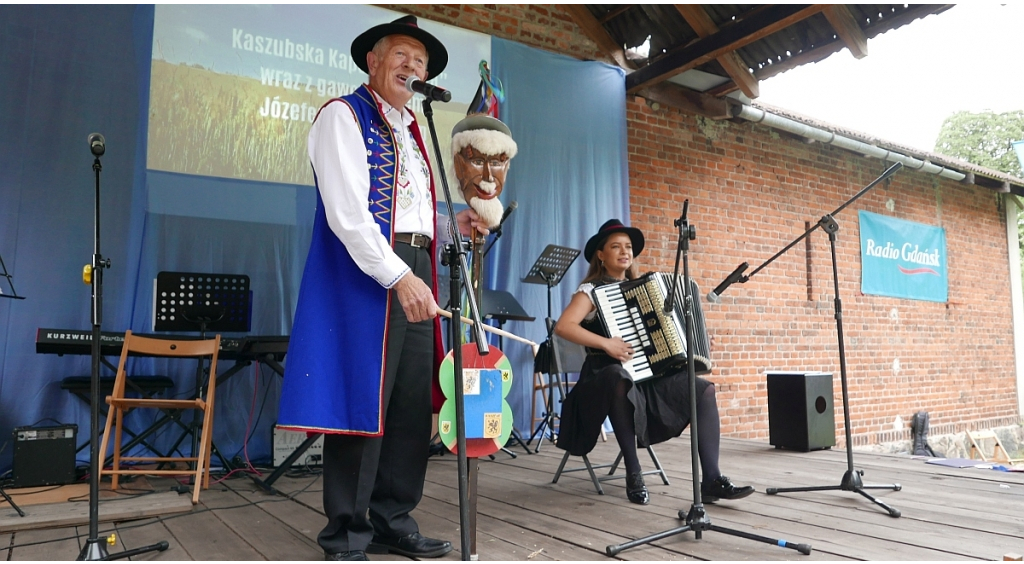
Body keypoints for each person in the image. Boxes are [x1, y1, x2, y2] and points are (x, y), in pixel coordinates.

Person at [276, 15, 487, 562]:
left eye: (420, 62)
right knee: (363, 401)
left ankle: (393, 518)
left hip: (415, 261)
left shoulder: (415, 129)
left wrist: (452, 224)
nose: (412, 68)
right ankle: (346, 535)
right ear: (372, 61)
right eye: (402, 56)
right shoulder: (344, 116)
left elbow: (412, 209)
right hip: (371, 271)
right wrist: (398, 275)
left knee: (410, 403)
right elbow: (349, 214)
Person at [553, 219, 754, 505]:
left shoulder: (646, 289)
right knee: (618, 378)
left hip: (645, 377)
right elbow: (563, 327)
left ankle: (711, 479)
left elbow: (665, 334)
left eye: (628, 247)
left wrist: (689, 342)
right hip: (600, 380)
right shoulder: (590, 291)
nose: (624, 252)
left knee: (703, 390)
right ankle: (634, 472)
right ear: (601, 254)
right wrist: (606, 343)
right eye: (615, 247)